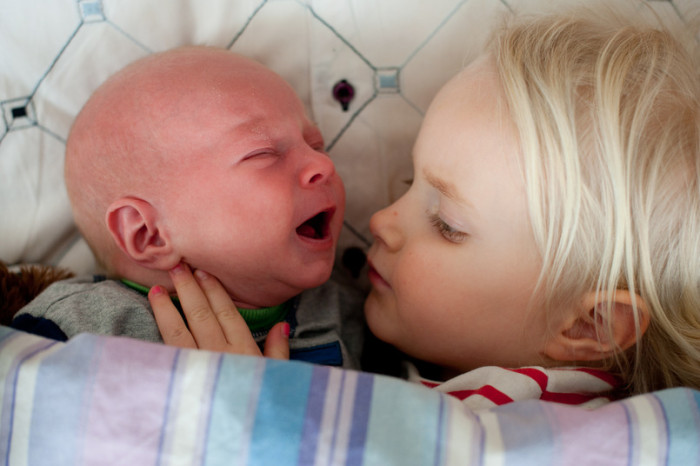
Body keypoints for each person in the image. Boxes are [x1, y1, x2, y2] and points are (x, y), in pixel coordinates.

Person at [151, 6, 700, 409]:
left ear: (590, 324)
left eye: (446, 225)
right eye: (409, 182)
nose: (381, 221)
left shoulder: (546, 431)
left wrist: (252, 416)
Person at [11, 46, 366, 369]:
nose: (323, 164)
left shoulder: (346, 313)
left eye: (316, 145)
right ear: (148, 234)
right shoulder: (81, 329)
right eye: (262, 153)